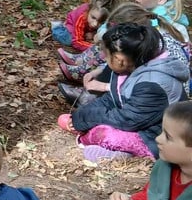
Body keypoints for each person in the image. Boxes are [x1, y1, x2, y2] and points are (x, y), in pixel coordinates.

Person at [58, 23, 188, 163]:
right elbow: (111, 99)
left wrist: (84, 120)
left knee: (102, 134)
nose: (105, 60)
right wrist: (82, 115)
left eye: (107, 56)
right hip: (139, 123)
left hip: (156, 137)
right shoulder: (131, 67)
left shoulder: (152, 84)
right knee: (90, 122)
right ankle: (111, 148)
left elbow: (127, 120)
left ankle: (127, 152)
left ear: (119, 59)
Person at [59, 0, 190, 81]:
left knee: (116, 48)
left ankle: (86, 76)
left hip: (153, 72)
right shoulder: (145, 13)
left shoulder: (167, 24)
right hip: (146, 67)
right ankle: (81, 62)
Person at [58, 3, 190, 106]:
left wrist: (104, 87)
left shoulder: (149, 49)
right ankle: (90, 96)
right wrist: (97, 72)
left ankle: (92, 99)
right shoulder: (144, 39)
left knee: (117, 61)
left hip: (160, 104)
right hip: (148, 94)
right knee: (115, 60)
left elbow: (143, 86)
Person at [50, 0, 120, 51]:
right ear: (89, 9)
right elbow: (76, 42)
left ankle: (87, 33)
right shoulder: (81, 17)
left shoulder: (109, 19)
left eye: (101, 22)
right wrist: (94, 48)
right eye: (93, 17)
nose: (95, 24)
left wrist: (94, 33)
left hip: (88, 29)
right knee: (68, 40)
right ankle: (57, 28)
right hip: (73, 26)